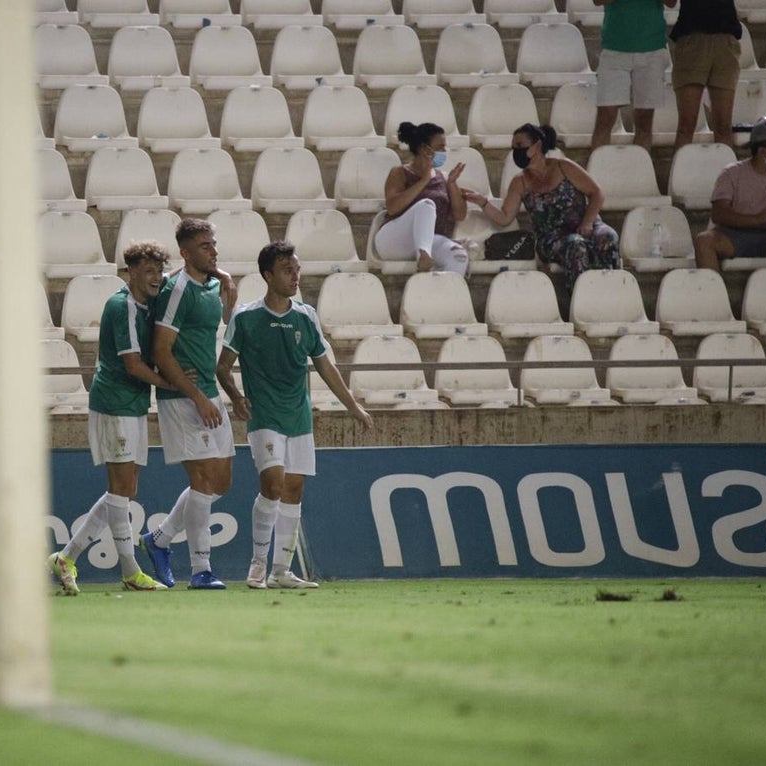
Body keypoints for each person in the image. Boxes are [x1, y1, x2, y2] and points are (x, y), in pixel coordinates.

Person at [216, 241, 372, 590]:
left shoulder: (306, 316)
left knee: (294, 491)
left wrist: (353, 406)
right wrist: (236, 397)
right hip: (265, 416)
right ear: (268, 275)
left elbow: (326, 367)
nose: (295, 276)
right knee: (272, 485)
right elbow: (222, 367)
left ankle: (281, 570)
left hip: (298, 416)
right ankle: (257, 565)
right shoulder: (245, 317)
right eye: (288, 270)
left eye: (297, 269)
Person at [47, 242, 176, 595]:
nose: (156, 278)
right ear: (130, 272)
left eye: (159, 271)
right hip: (114, 402)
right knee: (121, 490)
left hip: (133, 402)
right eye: (148, 271)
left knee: (125, 489)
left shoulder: (150, 300)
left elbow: (180, 279)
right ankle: (130, 569)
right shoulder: (121, 307)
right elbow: (133, 364)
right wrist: (171, 383)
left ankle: (66, 557)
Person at [140, 218, 238, 591]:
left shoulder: (213, 283)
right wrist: (196, 398)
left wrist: (224, 274)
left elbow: (212, 278)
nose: (212, 252)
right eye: (203, 247)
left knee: (222, 482)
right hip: (182, 397)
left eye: (213, 245)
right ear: (184, 253)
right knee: (202, 479)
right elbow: (161, 352)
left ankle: (159, 540)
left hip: (208, 391)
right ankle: (201, 570)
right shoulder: (177, 290)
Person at [462, 123, 620, 297]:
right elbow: (505, 217)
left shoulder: (564, 167)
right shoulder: (520, 181)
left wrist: (588, 222)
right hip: (552, 237)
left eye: (520, 146)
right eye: (514, 147)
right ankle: (583, 300)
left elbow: (597, 193)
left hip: (585, 224)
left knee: (608, 236)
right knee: (576, 245)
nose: (516, 151)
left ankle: (611, 295)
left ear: (537, 146)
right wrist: (483, 202)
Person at [374, 121, 469, 275]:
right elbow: (392, 207)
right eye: (440, 148)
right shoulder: (399, 172)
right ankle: (423, 256)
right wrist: (424, 180)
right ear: (424, 148)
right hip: (394, 241)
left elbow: (460, 215)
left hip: (430, 240)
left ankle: (444, 297)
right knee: (426, 204)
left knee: (459, 256)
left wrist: (451, 184)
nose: (444, 151)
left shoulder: (444, 178)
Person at [694, 117, 766, 271]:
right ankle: (712, 292)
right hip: (733, 236)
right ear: (763, 151)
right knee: (704, 241)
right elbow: (719, 214)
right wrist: (757, 220)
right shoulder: (732, 173)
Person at [591, 0, 679, 149]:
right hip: (614, 47)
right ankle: (597, 169)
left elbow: (671, 2)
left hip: (652, 46)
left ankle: (640, 169)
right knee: (605, 117)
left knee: (645, 120)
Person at [669, 0, 742, 150]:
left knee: (723, 125)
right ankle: (681, 171)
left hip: (725, 37)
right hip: (692, 37)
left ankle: (726, 171)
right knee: (687, 124)